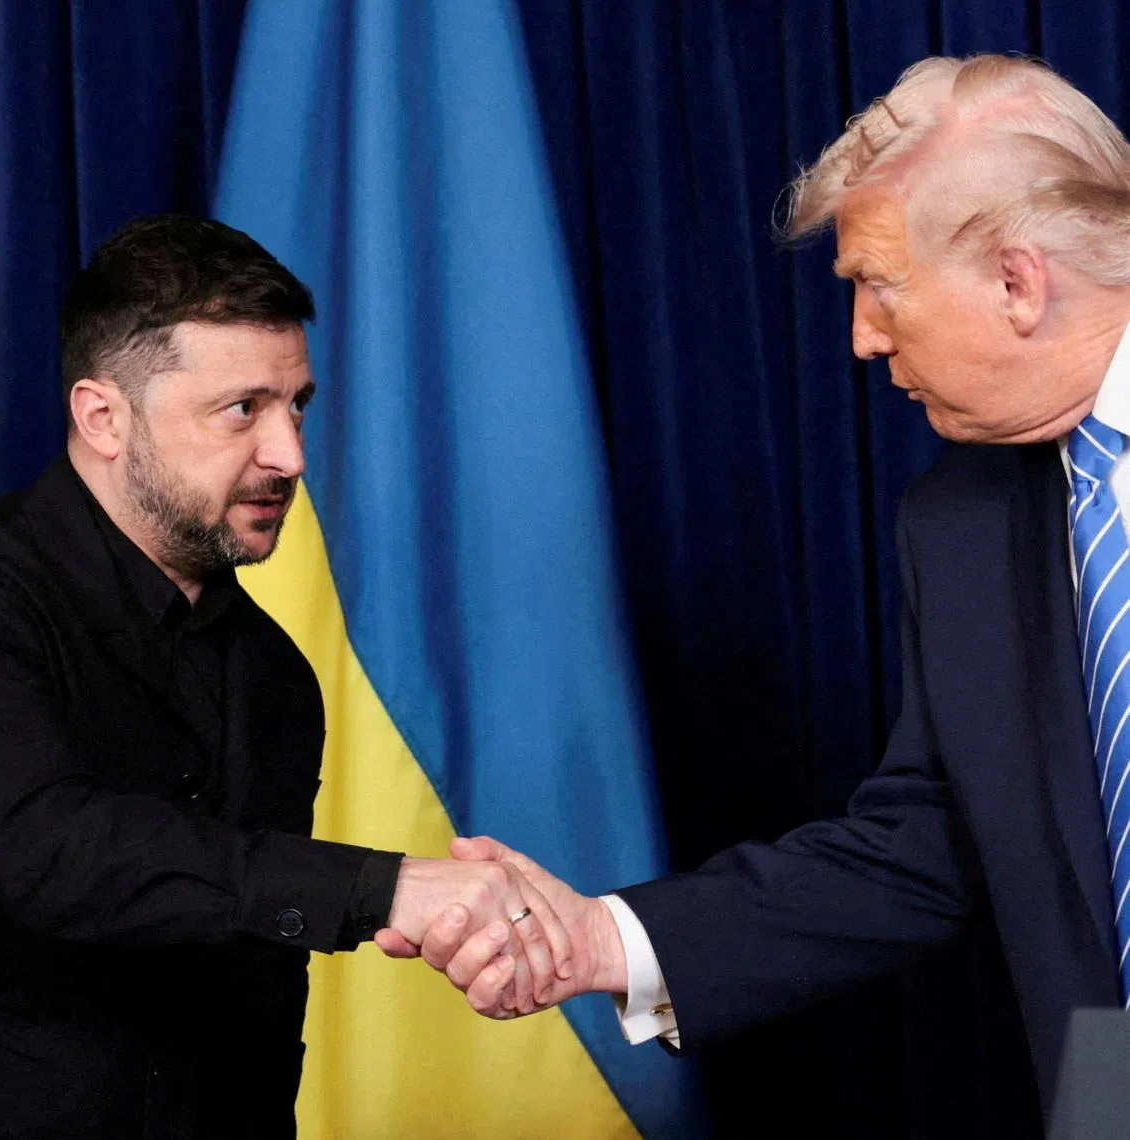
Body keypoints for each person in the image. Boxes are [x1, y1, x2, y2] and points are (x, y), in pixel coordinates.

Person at [379, 53, 1130, 1124]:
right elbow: (928, 849)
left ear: (1018, 281)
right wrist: (602, 941)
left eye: (878, 286)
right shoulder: (958, 523)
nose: (864, 340)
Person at [0, 215, 570, 1139]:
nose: (290, 457)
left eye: (296, 406)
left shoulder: (276, 677)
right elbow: (42, 850)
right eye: (242, 410)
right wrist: (387, 888)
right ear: (103, 416)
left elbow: (257, 997)